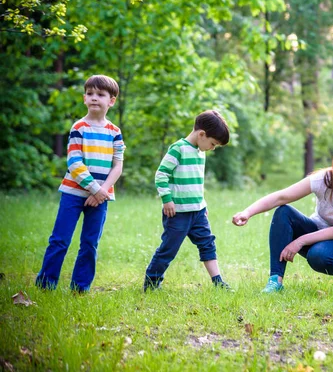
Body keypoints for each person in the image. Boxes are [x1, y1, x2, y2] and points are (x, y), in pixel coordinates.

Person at [232, 138, 333, 292]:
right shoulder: (325, 179)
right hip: (317, 236)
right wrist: (248, 212)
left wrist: (300, 241)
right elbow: (282, 197)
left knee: (318, 255)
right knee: (284, 212)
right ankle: (275, 281)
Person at [36, 75, 125, 293]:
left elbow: (118, 166)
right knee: (60, 240)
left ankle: (80, 287)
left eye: (100, 94)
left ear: (111, 101)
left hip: (101, 197)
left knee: (89, 244)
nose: (94, 98)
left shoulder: (115, 132)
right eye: (90, 94)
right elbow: (75, 163)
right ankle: (46, 285)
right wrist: (95, 190)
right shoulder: (79, 127)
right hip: (73, 193)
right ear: (84, 98)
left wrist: (102, 193)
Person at [144, 110, 231, 291]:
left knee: (207, 243)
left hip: (198, 211)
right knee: (169, 248)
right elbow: (161, 175)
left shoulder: (200, 152)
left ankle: (218, 281)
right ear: (201, 134)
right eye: (213, 144)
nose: (212, 148)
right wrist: (167, 200)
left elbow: (196, 181)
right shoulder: (178, 149)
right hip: (177, 213)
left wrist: (202, 203)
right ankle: (152, 281)